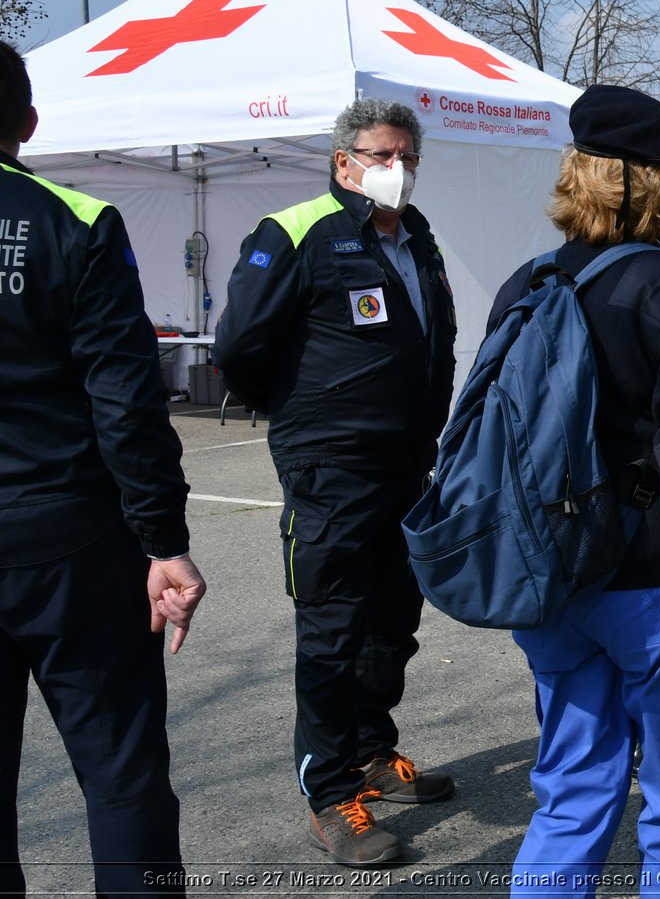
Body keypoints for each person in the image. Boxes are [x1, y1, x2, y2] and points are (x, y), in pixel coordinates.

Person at [488, 85, 660, 898]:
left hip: (553, 582)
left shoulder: (528, 282)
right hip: (656, 590)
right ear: (655, 183)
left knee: (570, 796)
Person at [213, 98, 457, 867]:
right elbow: (239, 348)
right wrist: (310, 417)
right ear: (343, 160)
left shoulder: (417, 237)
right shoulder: (296, 232)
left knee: (393, 621)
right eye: (384, 156)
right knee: (333, 629)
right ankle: (330, 795)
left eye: (409, 157)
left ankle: (371, 751)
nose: (399, 170)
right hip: (331, 473)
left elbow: (437, 339)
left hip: (408, 465)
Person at [0, 39, 206, 896]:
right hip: (69, 544)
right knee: (122, 776)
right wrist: (164, 539)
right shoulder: (73, 221)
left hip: (62, 537)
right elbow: (125, 403)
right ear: (28, 123)